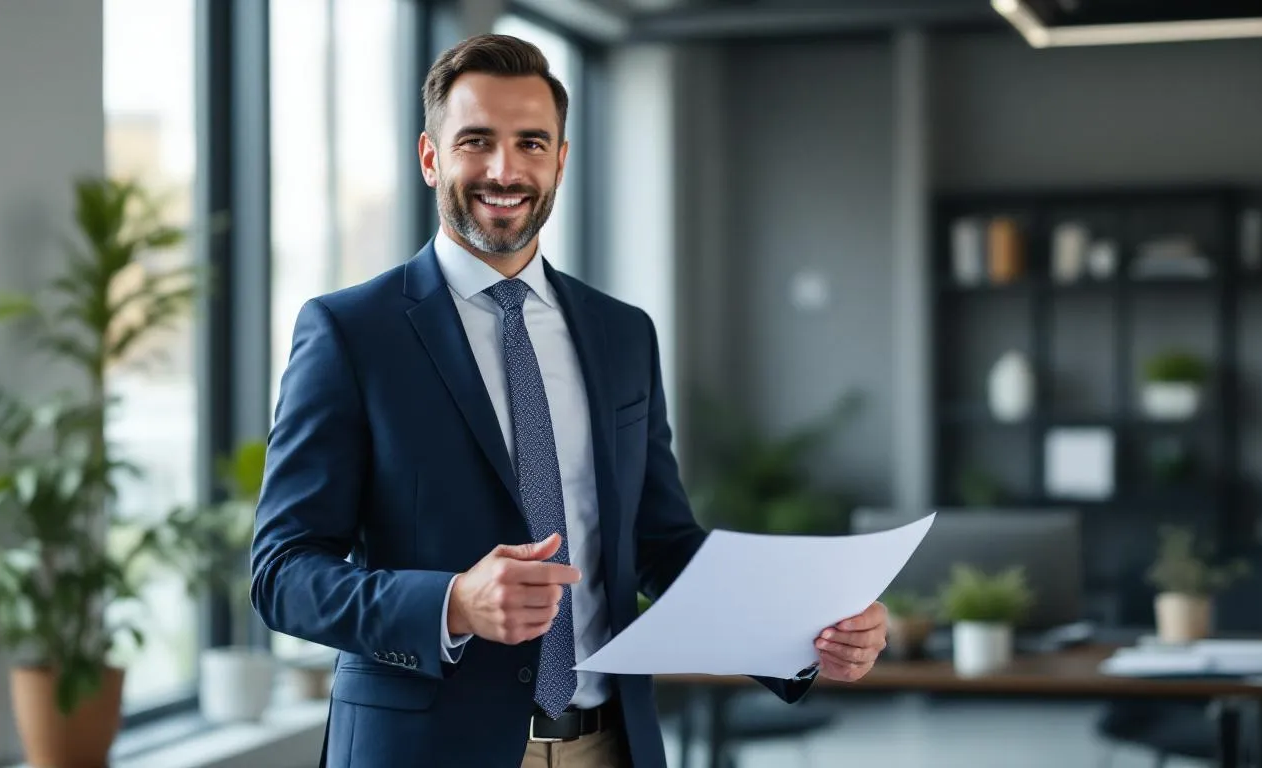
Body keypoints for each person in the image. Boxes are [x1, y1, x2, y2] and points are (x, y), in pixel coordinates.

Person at [250, 33, 889, 768]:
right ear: (430, 158)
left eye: (530, 143)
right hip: (425, 750)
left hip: (608, 745)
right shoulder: (351, 332)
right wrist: (452, 603)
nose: (504, 170)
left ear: (560, 159)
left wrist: (807, 630)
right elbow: (282, 573)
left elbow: (658, 544)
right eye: (476, 142)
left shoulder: (622, 334)